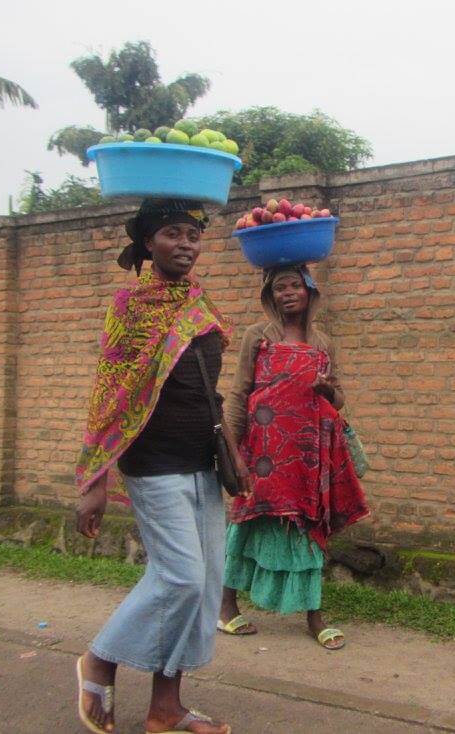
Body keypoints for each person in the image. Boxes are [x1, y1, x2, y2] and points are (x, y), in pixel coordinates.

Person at [73, 198, 249, 734]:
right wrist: (94, 481)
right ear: (148, 242)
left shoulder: (199, 301)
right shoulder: (130, 306)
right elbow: (109, 394)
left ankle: (166, 707)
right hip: (153, 464)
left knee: (205, 582)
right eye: (173, 233)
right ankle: (100, 660)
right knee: (181, 577)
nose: (186, 244)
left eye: (193, 235)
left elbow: (207, 388)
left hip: (202, 462)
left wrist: (232, 449)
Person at [218, 264, 369, 650]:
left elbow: (338, 397)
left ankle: (314, 617)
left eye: (295, 286)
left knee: (309, 525)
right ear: (269, 296)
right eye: (279, 288)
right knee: (248, 520)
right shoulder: (257, 337)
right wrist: (232, 451)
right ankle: (226, 605)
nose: (288, 293)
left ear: (309, 292)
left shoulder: (323, 343)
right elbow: (239, 393)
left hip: (306, 454)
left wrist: (327, 391)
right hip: (263, 451)